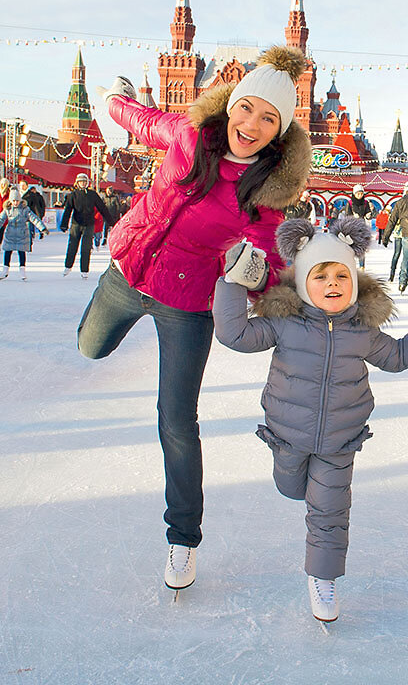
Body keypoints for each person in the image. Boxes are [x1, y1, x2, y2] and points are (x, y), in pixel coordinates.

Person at [75, 46, 313, 592]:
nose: (251, 124)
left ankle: (182, 539)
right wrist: (117, 100)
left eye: (268, 119)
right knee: (89, 348)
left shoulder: (265, 196)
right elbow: (141, 120)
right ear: (231, 104)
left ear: (278, 132)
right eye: (247, 108)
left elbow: (270, 263)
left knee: (176, 420)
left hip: (187, 304)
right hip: (128, 272)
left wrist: (267, 284)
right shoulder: (189, 135)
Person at [212, 217, 408, 622]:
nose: (332, 283)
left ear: (354, 281)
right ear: (303, 282)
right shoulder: (284, 322)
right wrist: (234, 284)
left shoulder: (361, 329)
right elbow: (234, 335)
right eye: (320, 275)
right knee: (291, 486)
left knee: (329, 511)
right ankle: (291, 479)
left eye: (342, 274)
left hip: (341, 440)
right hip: (287, 435)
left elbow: (396, 357)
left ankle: (323, 578)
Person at [60, 173, 112, 278]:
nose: (83, 184)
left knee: (86, 248)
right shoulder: (72, 195)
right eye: (81, 182)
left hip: (89, 224)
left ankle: (84, 270)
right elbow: (68, 210)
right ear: (77, 183)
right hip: (76, 224)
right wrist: (64, 224)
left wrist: (111, 222)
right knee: (72, 246)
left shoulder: (92, 195)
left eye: (84, 182)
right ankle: (68, 266)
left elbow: (102, 208)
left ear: (87, 183)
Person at [0, 188, 49, 280]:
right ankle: (5, 271)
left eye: (17, 200)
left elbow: (34, 218)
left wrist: (42, 228)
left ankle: (22, 271)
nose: (15, 203)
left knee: (21, 252)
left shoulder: (25, 209)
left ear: (20, 200)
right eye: (13, 201)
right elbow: (1, 219)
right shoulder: (7, 209)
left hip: (22, 234)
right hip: (10, 234)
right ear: (10, 201)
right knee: (7, 252)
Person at [345, 184, 375, 268]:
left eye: (361, 193)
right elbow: (347, 215)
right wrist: (352, 217)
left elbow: (368, 213)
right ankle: (350, 264)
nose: (360, 195)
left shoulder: (365, 202)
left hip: (361, 226)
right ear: (354, 194)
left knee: (361, 247)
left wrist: (369, 215)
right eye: (358, 194)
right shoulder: (350, 203)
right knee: (351, 246)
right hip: (351, 227)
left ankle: (362, 265)